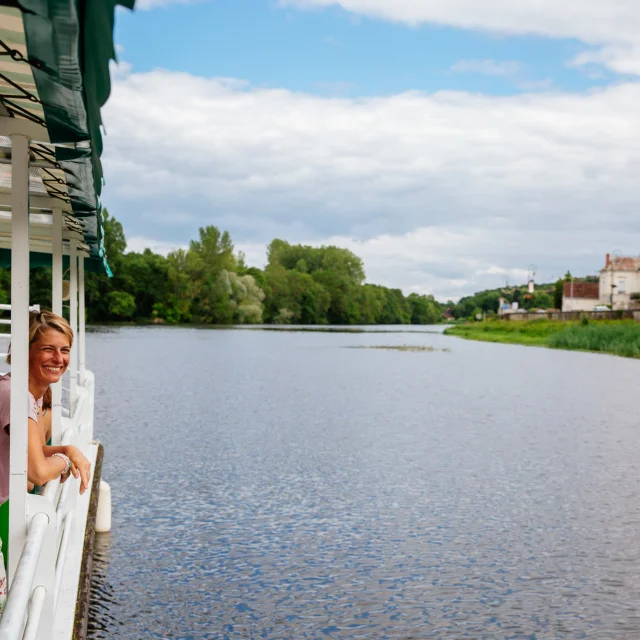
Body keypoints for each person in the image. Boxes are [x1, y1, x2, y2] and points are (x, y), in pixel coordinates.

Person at [0, 310, 91, 504]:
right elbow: (38, 473)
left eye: (64, 350)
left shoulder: (28, 392)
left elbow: (35, 450)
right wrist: (65, 461)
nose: (58, 359)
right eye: (49, 349)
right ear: (24, 351)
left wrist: (68, 449)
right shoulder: (16, 395)